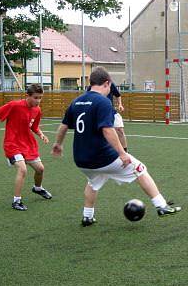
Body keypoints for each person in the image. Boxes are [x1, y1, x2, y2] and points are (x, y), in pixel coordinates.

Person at [52, 68, 180, 226]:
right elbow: (107, 130)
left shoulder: (76, 101)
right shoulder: (103, 102)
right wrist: (122, 153)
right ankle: (161, 205)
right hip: (103, 157)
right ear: (106, 83)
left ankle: (87, 216)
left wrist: (58, 144)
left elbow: (64, 126)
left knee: (93, 182)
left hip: (82, 160)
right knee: (139, 169)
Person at [0, 84, 52, 211]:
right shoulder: (14, 105)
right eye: (36, 98)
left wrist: (41, 134)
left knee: (40, 169)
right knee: (23, 169)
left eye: (40, 98)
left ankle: (37, 188)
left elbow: (34, 126)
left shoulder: (37, 110)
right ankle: (16, 201)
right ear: (27, 96)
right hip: (12, 144)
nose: (38, 101)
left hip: (28, 144)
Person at [88, 81, 128, 151]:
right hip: (99, 113)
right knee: (101, 133)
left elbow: (118, 95)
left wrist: (120, 104)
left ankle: (125, 151)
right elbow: (88, 97)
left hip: (111, 111)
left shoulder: (110, 84)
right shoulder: (92, 86)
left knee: (120, 130)